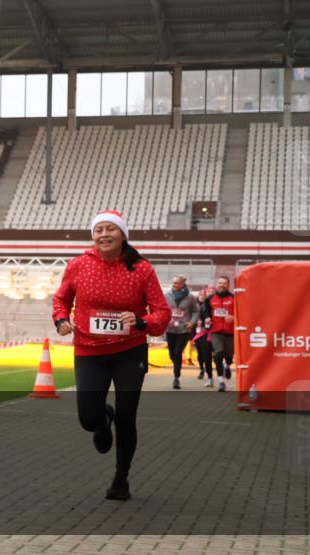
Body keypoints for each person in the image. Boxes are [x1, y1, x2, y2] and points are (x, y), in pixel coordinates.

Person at [52, 210, 171, 501]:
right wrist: (61, 319)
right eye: (98, 230)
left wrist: (142, 322)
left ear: (123, 234)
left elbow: (162, 312)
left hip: (129, 352)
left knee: (127, 417)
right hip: (89, 351)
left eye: (110, 229)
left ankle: (121, 478)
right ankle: (102, 419)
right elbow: (61, 299)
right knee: (88, 419)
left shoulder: (142, 269)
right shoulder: (79, 265)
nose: (104, 235)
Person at [201, 276, 235, 392]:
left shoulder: (234, 298)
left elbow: (242, 313)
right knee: (218, 355)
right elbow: (205, 311)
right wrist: (207, 318)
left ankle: (227, 365)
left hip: (230, 333)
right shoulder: (210, 298)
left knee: (229, 357)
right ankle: (221, 381)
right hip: (215, 332)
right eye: (220, 283)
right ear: (217, 284)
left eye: (224, 283)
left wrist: (234, 317)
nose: (222, 285)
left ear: (228, 285)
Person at [164, 275, 199, 389]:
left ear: (182, 284)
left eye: (176, 283)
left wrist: (192, 322)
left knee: (178, 352)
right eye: (173, 283)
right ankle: (176, 366)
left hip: (183, 329)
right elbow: (162, 309)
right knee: (172, 354)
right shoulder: (167, 295)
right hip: (170, 329)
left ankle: (176, 378)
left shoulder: (190, 297)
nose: (174, 285)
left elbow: (195, 311)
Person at [193, 290, 215, 387]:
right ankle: (202, 368)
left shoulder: (211, 306)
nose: (202, 296)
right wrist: (196, 321)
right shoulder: (194, 305)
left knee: (210, 354)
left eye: (204, 295)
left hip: (210, 332)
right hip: (199, 333)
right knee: (200, 354)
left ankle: (211, 372)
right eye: (200, 295)